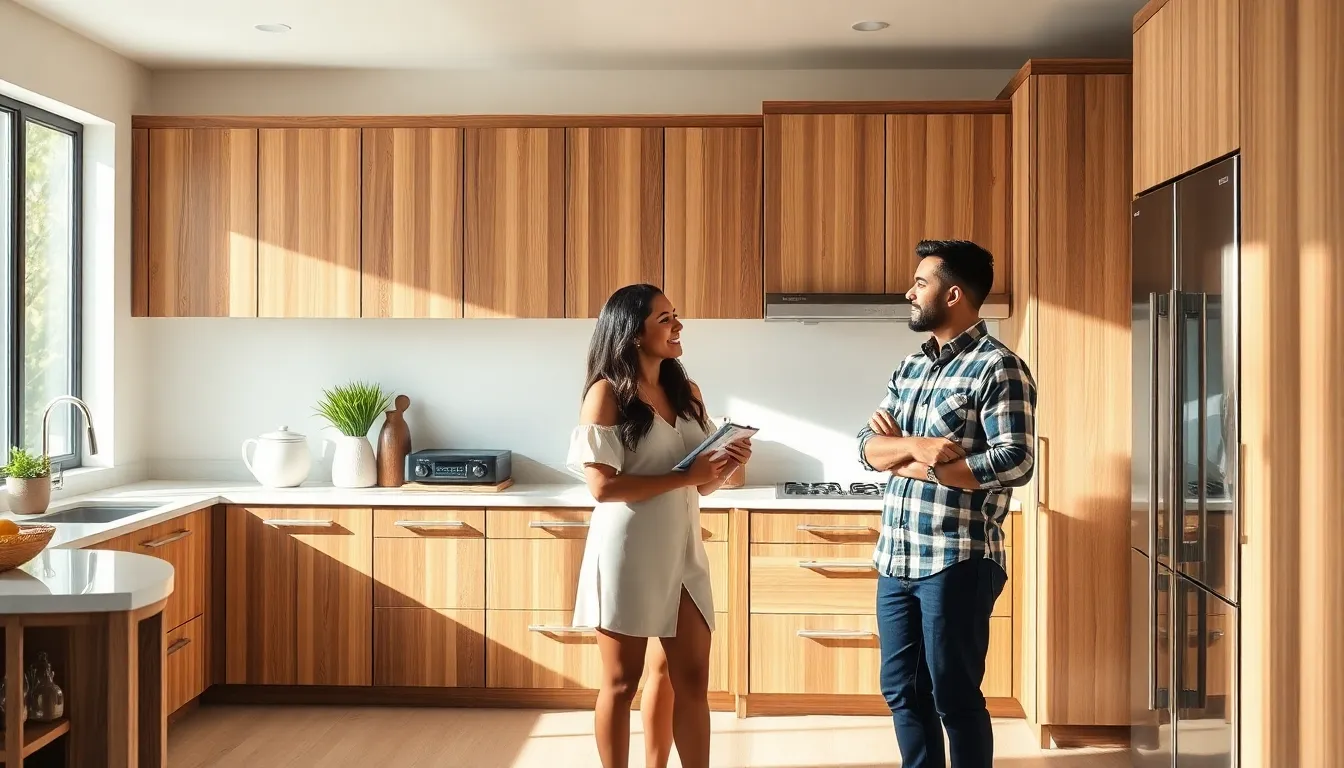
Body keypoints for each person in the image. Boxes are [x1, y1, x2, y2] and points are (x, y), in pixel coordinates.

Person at [857, 240, 1036, 768]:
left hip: (957, 558)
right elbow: (865, 448)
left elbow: (1018, 461)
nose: (908, 292)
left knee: (953, 696)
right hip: (897, 558)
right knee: (901, 691)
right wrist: (916, 446)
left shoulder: (998, 368)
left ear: (953, 294)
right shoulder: (910, 368)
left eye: (920, 283)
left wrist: (923, 464)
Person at [568, 283, 752, 768]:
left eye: (676, 315)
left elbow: (702, 485)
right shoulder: (605, 394)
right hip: (627, 552)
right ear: (632, 333)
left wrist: (726, 465)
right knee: (621, 683)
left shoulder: (686, 392)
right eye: (665, 319)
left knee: (687, 676)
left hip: (684, 552)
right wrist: (684, 476)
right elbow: (602, 488)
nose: (678, 326)